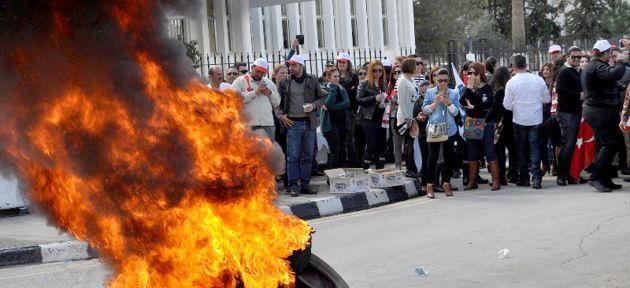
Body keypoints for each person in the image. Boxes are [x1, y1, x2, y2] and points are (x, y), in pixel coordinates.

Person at [276, 54, 325, 196]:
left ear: (301, 66)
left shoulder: (312, 80)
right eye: (290, 65)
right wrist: (281, 115)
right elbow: (277, 102)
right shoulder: (285, 82)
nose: (291, 68)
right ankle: (293, 186)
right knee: (293, 156)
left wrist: (313, 106)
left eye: (294, 65)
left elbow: (322, 97)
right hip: (293, 123)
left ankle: (304, 184)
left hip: (308, 122)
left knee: (308, 155)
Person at [583, 40, 628, 192]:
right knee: (610, 143)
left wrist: (621, 62)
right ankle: (596, 177)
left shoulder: (597, 65)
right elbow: (613, 74)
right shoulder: (596, 66)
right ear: (605, 53)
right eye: (610, 52)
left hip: (603, 110)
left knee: (606, 144)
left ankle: (605, 178)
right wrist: (621, 61)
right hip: (599, 111)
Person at [503, 55, 551, 189]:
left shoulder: (511, 82)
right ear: (526, 65)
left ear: (513, 67)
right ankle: (537, 178)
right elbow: (547, 99)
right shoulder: (538, 80)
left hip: (519, 118)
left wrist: (516, 106)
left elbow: (506, 105)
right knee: (535, 148)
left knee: (521, 149)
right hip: (535, 118)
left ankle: (524, 178)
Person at [460, 62, 500, 191]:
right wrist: (469, 89)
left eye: (474, 73)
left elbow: (489, 103)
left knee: (489, 151)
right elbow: (462, 101)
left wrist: (474, 106)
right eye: (469, 73)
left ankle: (496, 181)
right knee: (472, 153)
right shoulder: (468, 88)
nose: (471, 75)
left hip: (486, 122)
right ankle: (473, 181)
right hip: (472, 122)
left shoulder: (486, 88)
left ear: (480, 74)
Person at [422, 68, 461, 198]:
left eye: (445, 80)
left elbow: (456, 112)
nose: (443, 83)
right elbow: (425, 110)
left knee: (448, 157)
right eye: (440, 80)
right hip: (435, 129)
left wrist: (448, 103)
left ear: (448, 80)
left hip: (450, 129)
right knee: (432, 157)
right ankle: (429, 184)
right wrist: (435, 103)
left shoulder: (454, 93)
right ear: (436, 80)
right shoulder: (430, 92)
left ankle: (446, 183)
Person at [555, 46, 585, 186]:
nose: (577, 59)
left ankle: (573, 175)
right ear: (567, 56)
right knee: (568, 145)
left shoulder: (578, 71)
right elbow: (560, 89)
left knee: (575, 145)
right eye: (574, 57)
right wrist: (578, 95)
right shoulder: (564, 71)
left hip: (577, 112)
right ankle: (562, 175)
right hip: (567, 113)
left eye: (579, 57)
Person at [232, 58, 280, 142]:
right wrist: (255, 92)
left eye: (262, 73)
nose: (259, 74)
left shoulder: (269, 83)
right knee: (250, 153)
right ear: (252, 67)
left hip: (267, 124)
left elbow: (277, 103)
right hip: (249, 125)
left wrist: (270, 93)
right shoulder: (240, 81)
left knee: (269, 153)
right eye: (257, 71)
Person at [357, 60, 388, 169]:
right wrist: (374, 98)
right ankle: (364, 169)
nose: (378, 73)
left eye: (380, 70)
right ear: (371, 71)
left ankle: (380, 171)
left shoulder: (384, 83)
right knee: (371, 144)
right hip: (368, 117)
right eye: (375, 70)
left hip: (382, 117)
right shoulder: (364, 83)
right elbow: (359, 99)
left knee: (382, 145)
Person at [493, 66, 518, 185]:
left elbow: (497, 109)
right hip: (511, 122)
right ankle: (513, 174)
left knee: (500, 151)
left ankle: (501, 175)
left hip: (501, 124)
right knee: (513, 150)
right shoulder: (510, 89)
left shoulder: (499, 92)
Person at [321, 68, 350, 169]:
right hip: (329, 125)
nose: (337, 78)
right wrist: (333, 88)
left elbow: (347, 103)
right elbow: (328, 103)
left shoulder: (342, 89)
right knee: (335, 150)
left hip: (342, 123)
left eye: (338, 76)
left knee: (342, 149)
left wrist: (332, 107)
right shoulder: (323, 89)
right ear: (328, 78)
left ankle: (341, 174)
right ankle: (332, 175)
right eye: (334, 76)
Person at [396, 58, 420, 176]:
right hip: (405, 118)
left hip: (412, 116)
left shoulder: (412, 80)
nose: (417, 67)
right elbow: (400, 100)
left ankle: (414, 167)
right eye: (415, 65)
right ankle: (409, 169)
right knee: (408, 144)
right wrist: (406, 118)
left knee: (412, 143)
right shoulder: (402, 80)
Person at [336, 52, 360, 167]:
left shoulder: (354, 77)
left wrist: (343, 89)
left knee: (349, 140)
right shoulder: (334, 75)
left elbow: (352, 94)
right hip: (336, 113)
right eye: (339, 61)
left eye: (343, 62)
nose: (341, 64)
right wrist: (347, 88)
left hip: (350, 112)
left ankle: (353, 166)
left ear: (348, 63)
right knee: (338, 141)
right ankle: (340, 165)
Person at [413, 81, 430, 193]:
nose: (424, 93)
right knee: (425, 159)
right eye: (422, 92)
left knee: (434, 159)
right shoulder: (418, 101)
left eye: (426, 91)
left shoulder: (433, 99)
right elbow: (414, 116)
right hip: (423, 133)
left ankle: (433, 182)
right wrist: (418, 117)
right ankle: (424, 183)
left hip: (434, 133)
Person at [387, 63, 404, 169]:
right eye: (395, 72)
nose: (397, 74)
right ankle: (398, 164)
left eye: (399, 71)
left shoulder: (407, 83)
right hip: (394, 117)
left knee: (408, 143)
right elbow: (388, 104)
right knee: (397, 142)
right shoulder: (390, 87)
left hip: (405, 116)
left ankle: (409, 163)